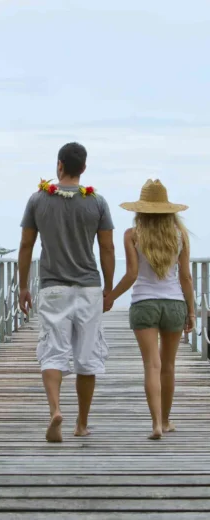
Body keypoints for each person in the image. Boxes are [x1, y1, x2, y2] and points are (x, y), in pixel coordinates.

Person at [18, 142, 115, 443]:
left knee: (53, 352)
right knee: (86, 356)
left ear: (59, 165)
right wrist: (109, 289)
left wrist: (23, 286)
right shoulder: (97, 202)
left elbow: (26, 246)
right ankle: (82, 424)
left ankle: (55, 410)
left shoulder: (38, 200)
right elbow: (107, 248)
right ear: (83, 168)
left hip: (53, 287)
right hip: (88, 288)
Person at [103, 179, 195, 440]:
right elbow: (186, 277)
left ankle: (155, 423)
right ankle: (166, 421)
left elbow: (132, 274)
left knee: (151, 366)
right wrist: (191, 311)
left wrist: (110, 297)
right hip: (175, 303)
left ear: (140, 210)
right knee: (168, 366)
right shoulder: (180, 236)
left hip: (144, 303)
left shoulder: (132, 235)